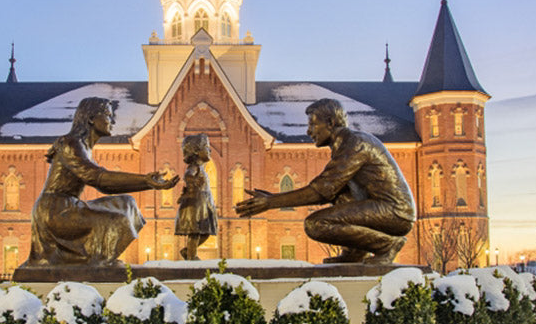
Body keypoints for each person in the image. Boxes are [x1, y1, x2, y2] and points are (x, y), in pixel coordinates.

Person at [235, 98, 416, 264]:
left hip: (395, 211)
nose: (308, 131)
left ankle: (387, 245)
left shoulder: (355, 144)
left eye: (313, 124)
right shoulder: (344, 145)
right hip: (380, 207)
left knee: (316, 224)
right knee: (341, 196)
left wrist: (271, 202)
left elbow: (320, 190)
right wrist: (273, 198)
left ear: (330, 123)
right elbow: (330, 192)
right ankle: (356, 251)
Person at [26, 97, 179, 266]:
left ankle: (98, 260)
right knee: (116, 221)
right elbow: (99, 179)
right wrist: (146, 181)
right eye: (107, 115)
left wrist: (146, 182)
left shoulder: (83, 147)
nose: (112, 121)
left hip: (70, 205)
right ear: (91, 118)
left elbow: (104, 185)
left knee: (128, 203)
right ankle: (100, 263)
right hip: (55, 212)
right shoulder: (70, 143)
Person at [175, 133, 219, 261]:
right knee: (195, 231)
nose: (209, 150)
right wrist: (192, 181)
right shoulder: (195, 167)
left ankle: (187, 251)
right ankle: (191, 256)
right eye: (206, 147)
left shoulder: (202, 168)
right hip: (196, 204)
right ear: (196, 151)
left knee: (206, 232)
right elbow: (188, 175)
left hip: (204, 202)